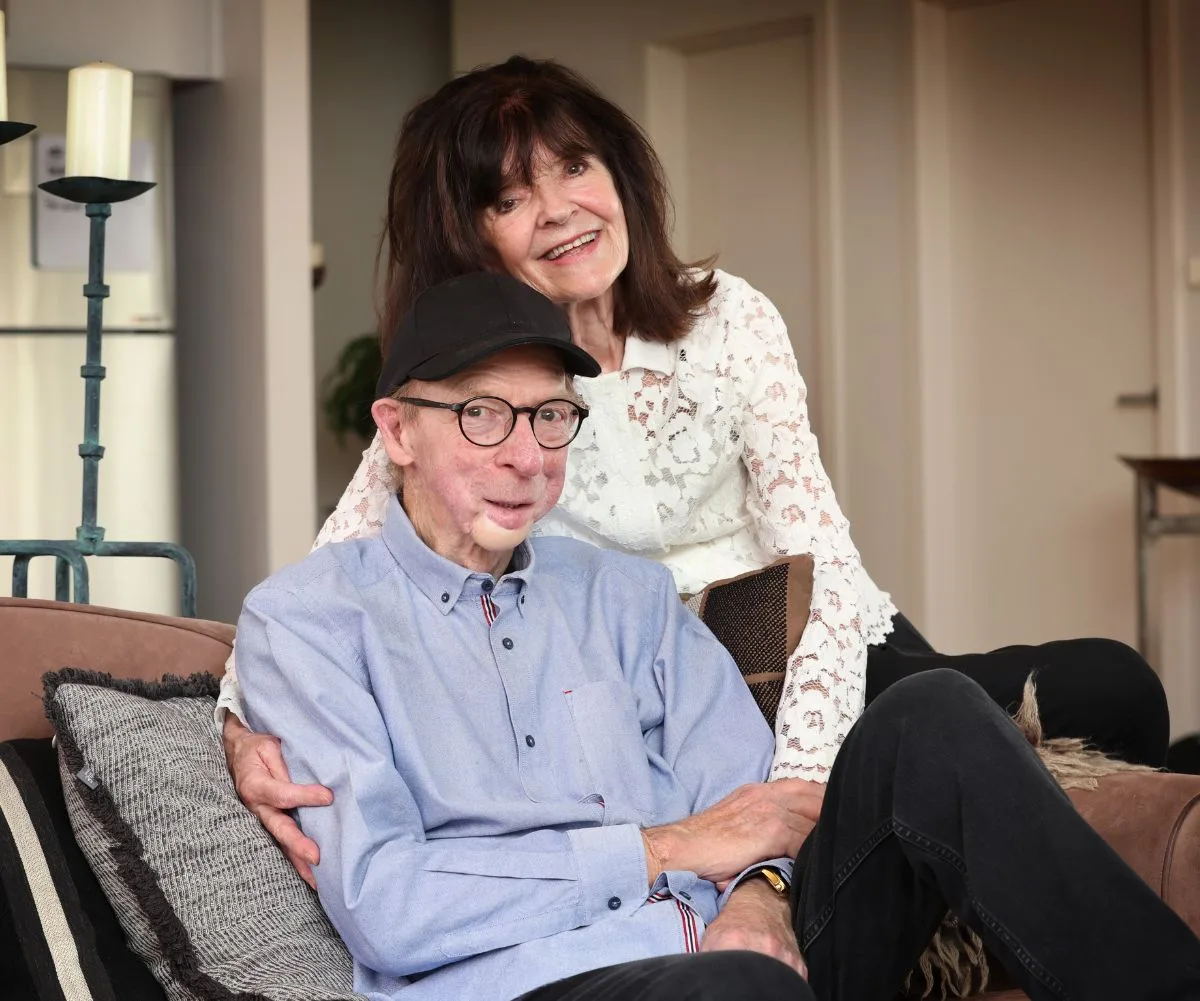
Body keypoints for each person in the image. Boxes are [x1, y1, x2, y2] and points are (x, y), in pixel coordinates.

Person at [221, 54, 1168, 884]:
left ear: (619, 173)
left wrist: (799, 778)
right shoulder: (465, 396)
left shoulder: (731, 319)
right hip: (670, 698)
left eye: (576, 168)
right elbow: (326, 578)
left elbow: (822, 560)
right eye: (510, 199)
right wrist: (235, 726)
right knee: (950, 752)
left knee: (1116, 686)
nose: (560, 212)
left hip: (814, 649)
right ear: (470, 238)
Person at [233, 272, 1200, 1001]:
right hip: (537, 979)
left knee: (932, 714)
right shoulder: (309, 623)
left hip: (745, 949)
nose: (525, 457)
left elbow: (757, 813)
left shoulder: (627, 597)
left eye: (550, 416)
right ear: (396, 431)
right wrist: (669, 847)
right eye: (482, 415)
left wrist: (761, 893)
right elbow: (392, 905)